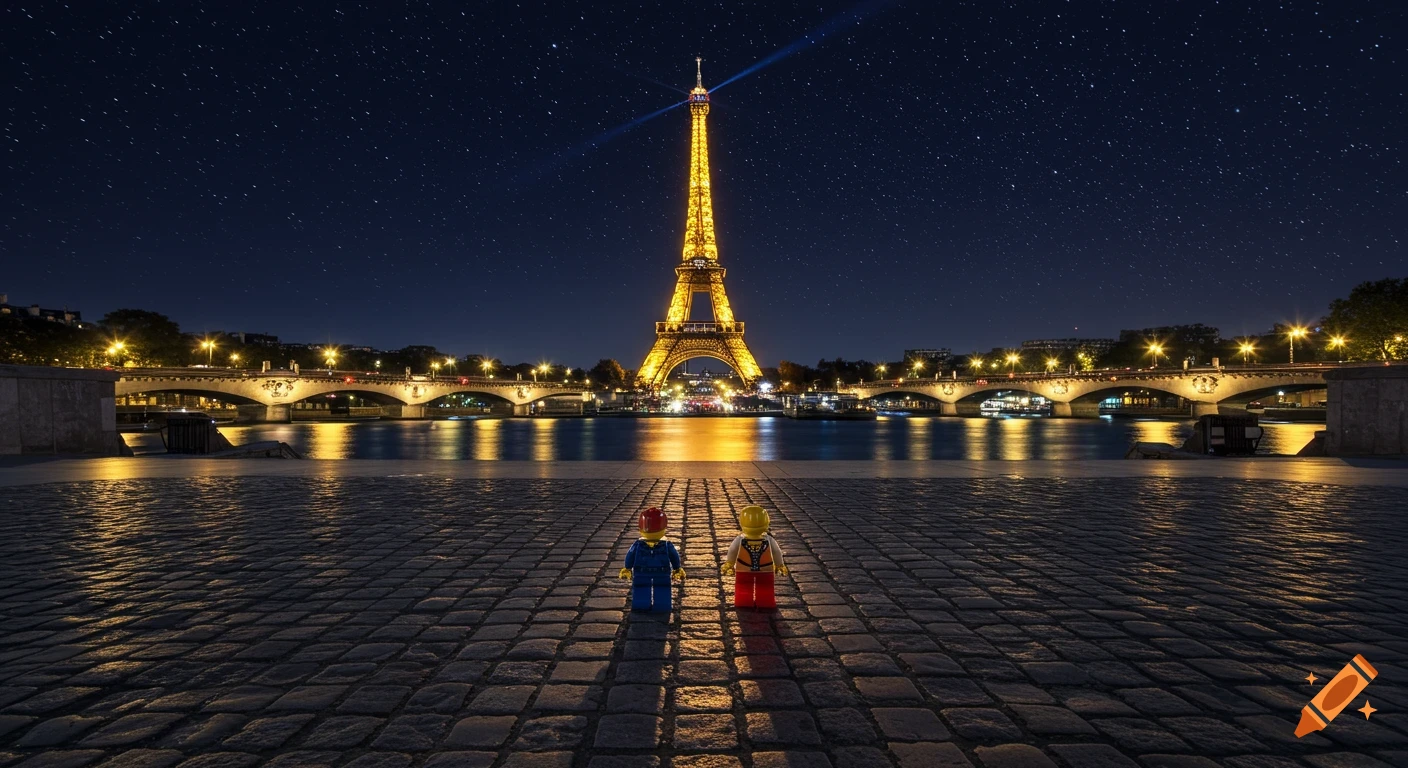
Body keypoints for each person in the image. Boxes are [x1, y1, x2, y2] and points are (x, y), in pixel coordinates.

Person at [721, 505, 788, 609]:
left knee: (743, 586)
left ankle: (743, 602)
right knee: (765, 587)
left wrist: (729, 563)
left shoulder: (739, 539)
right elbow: (776, 552)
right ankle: (765, 603)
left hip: (744, 567)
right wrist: (780, 564)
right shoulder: (769, 540)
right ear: (766, 522)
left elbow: (732, 551)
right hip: (765, 568)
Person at [619, 507, 685, 612]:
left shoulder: (638, 544)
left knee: (641, 588)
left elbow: (630, 555)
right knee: (662, 588)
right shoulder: (667, 544)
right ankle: (662, 605)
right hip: (662, 571)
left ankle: (641, 605)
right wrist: (677, 568)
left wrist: (627, 567)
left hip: (641, 570)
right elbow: (674, 556)